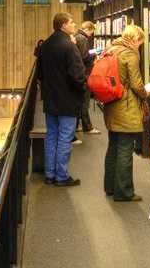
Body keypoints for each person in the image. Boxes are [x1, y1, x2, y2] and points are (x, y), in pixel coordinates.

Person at [36, 12, 87, 187]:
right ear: (64, 25)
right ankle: (61, 176)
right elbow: (78, 75)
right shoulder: (69, 46)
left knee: (51, 136)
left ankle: (49, 174)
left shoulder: (46, 45)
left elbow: (40, 74)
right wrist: (81, 91)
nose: (74, 25)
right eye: (71, 22)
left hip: (50, 100)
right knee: (65, 138)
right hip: (67, 100)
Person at [102, 23, 149, 202]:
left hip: (111, 103)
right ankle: (124, 192)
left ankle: (110, 187)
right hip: (126, 106)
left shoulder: (112, 49)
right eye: (140, 42)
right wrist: (146, 93)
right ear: (135, 39)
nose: (140, 46)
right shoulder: (129, 53)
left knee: (113, 146)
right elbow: (136, 83)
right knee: (125, 149)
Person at [73, 21, 101, 135]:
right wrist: (94, 55)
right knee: (85, 101)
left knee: (80, 100)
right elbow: (84, 56)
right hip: (85, 72)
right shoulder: (83, 39)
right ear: (88, 29)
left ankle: (76, 126)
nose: (91, 35)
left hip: (79, 72)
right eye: (92, 32)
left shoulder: (76, 36)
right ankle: (87, 127)